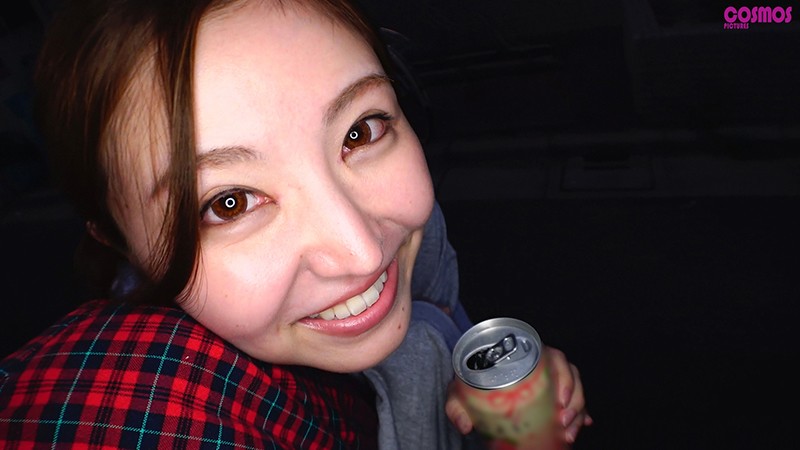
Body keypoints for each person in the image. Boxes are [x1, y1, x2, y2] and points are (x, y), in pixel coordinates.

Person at [0, 0, 591, 448]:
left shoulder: (413, 233)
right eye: (230, 203)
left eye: (359, 132)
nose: (362, 251)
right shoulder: (166, 404)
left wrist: (478, 382)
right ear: (116, 238)